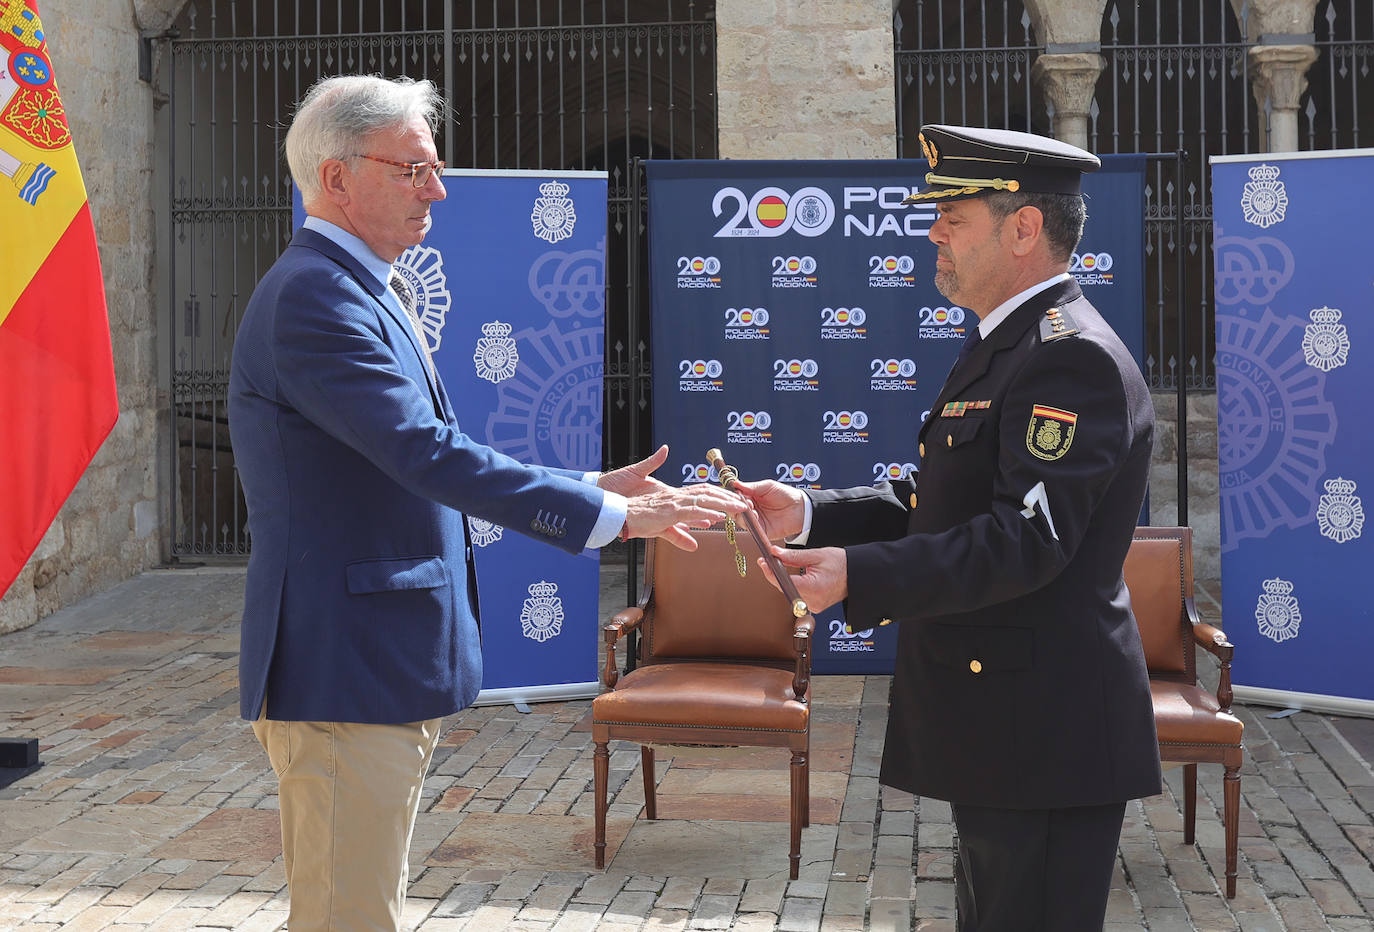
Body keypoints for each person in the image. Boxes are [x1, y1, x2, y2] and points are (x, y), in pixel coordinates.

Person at [227, 74, 743, 932]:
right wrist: (606, 522)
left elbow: (424, 453)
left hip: (373, 669)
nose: (438, 188)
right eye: (412, 169)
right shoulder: (315, 298)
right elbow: (423, 453)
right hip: (344, 670)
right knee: (347, 919)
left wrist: (585, 486)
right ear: (337, 178)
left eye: (435, 167)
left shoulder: (356, 284)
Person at [735, 124, 1161, 931]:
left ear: (1023, 228)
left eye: (953, 218)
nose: (934, 233)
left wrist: (861, 576)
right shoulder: (1007, 345)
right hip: (1005, 729)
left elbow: (1024, 540)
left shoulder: (1069, 359)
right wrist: (812, 511)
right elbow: (942, 498)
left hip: (1043, 736)